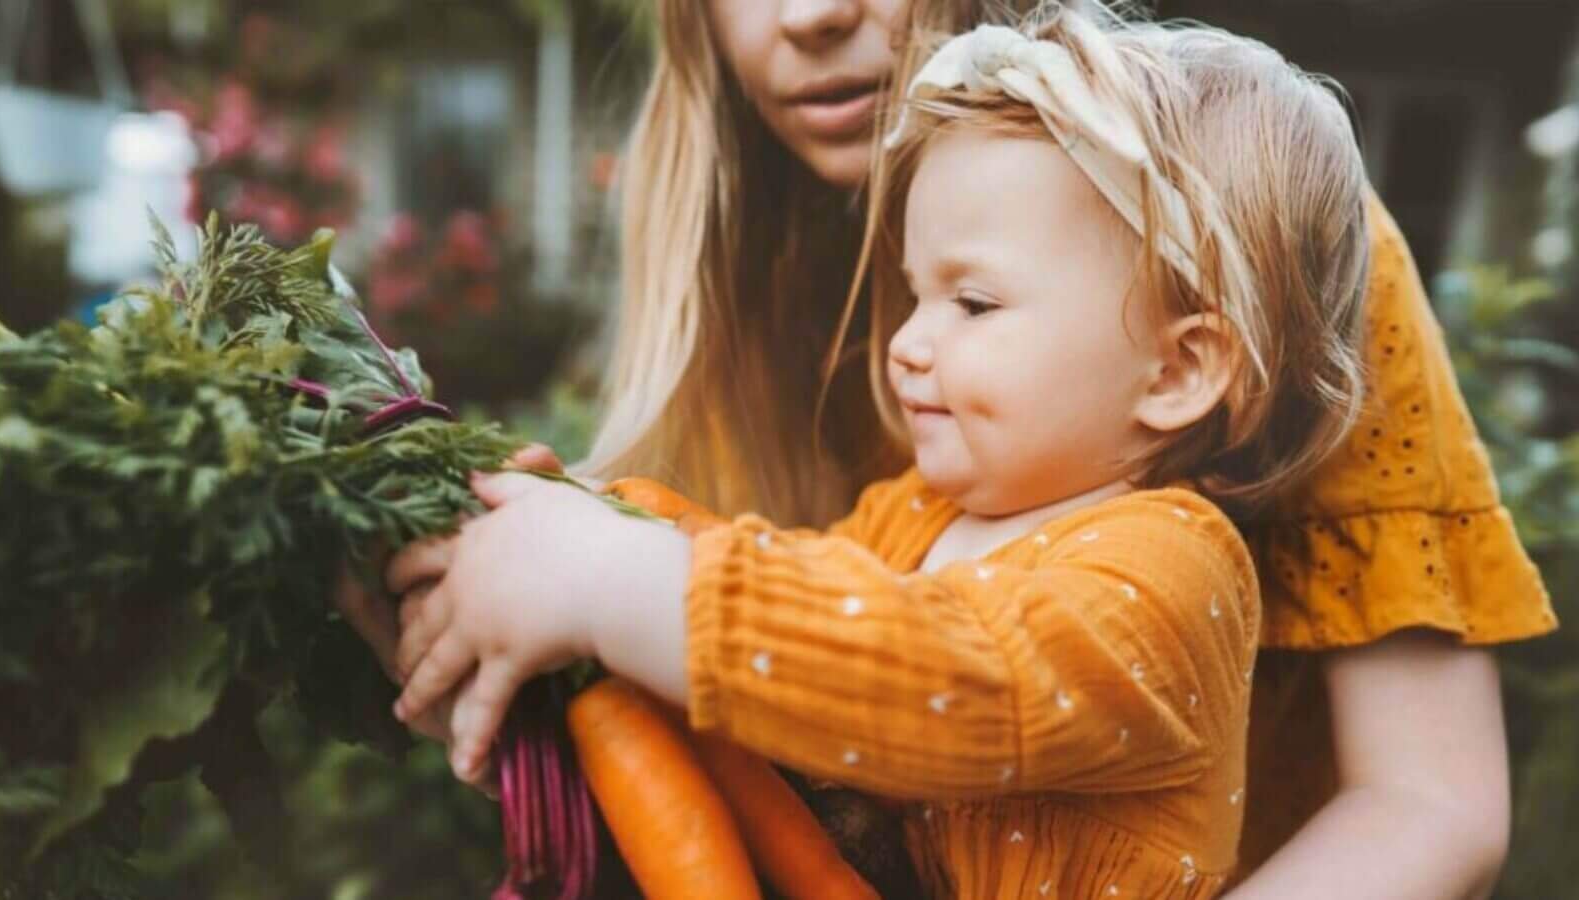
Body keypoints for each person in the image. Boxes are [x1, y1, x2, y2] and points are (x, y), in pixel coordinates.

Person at [339, 0, 1557, 896]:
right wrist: (550, 547)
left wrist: (611, 582)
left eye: (971, 305)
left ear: (1185, 367)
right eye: (915, 297)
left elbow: (954, 671)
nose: (810, 15)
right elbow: (807, 590)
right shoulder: (928, 495)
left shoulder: (1168, 545)